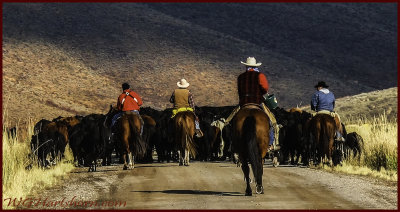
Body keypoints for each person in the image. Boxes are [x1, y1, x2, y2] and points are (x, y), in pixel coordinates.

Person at [226, 57, 279, 150]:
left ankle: (233, 145)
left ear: (246, 66)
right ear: (255, 66)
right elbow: (265, 89)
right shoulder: (260, 76)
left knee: (230, 121)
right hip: (257, 102)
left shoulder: (241, 77)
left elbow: (239, 91)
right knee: (272, 122)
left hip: (244, 103)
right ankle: (270, 144)